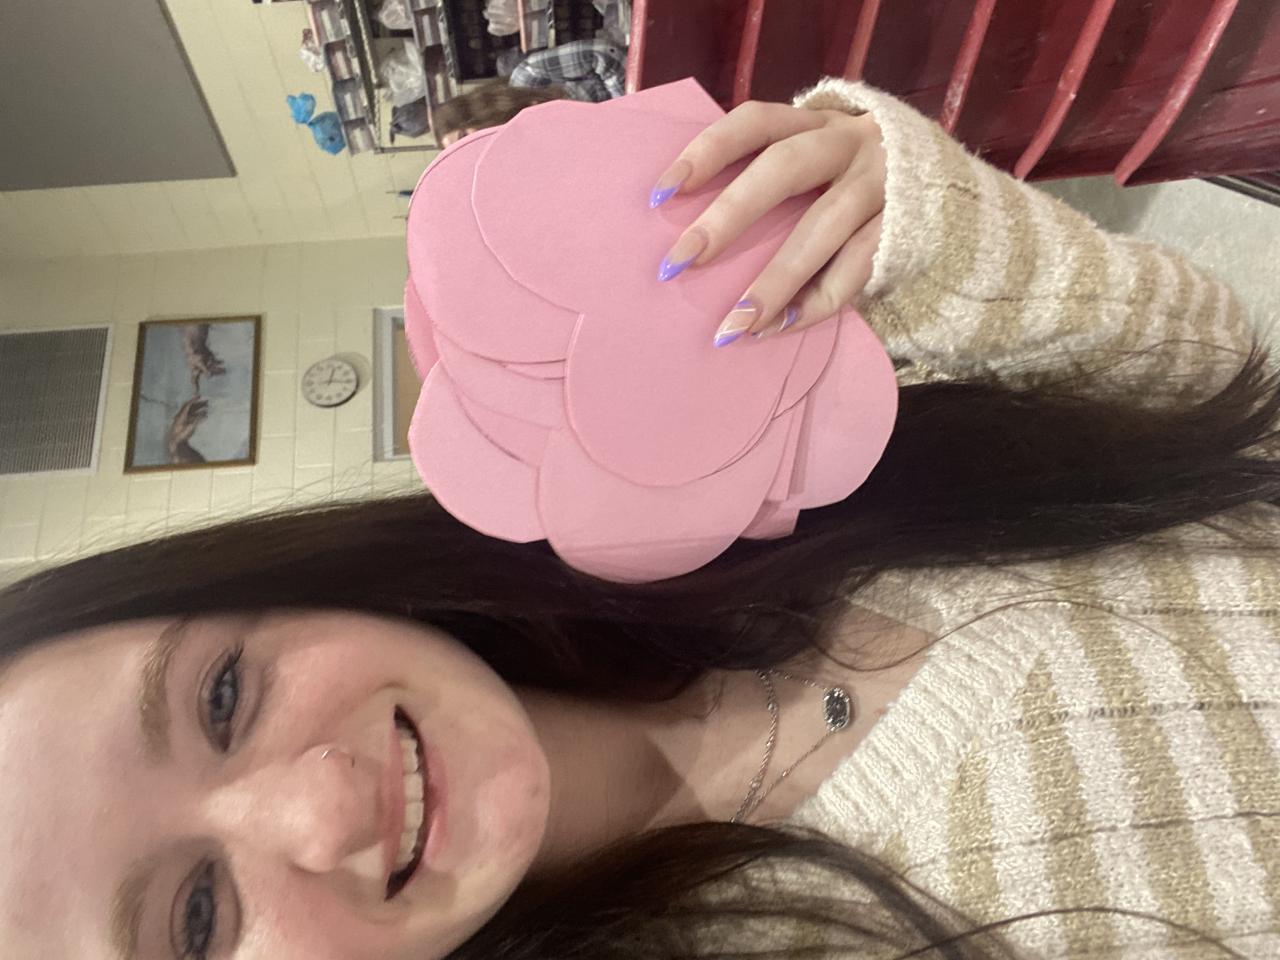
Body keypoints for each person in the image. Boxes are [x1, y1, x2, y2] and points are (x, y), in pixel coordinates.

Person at [2, 77, 1279, 960]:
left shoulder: (711, 490)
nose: (325, 809)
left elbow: (1212, 392)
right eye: (196, 922)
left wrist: (908, 224)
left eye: (223, 697)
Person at [433, 38, 627, 147]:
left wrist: (624, 111)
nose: (471, 143)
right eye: (463, 147)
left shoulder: (528, 78)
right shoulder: (524, 148)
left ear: (474, 111)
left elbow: (604, 54)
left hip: (637, 94)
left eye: (464, 136)